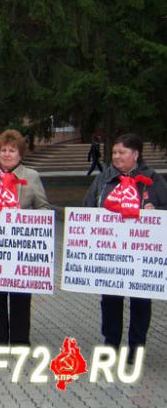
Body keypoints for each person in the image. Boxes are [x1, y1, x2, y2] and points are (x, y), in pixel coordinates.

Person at [83, 133, 167, 359]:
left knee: (140, 300)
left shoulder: (153, 180)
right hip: (111, 253)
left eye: (122, 152)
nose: (117, 157)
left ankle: (136, 346)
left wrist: (154, 212)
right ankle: (111, 343)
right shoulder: (103, 180)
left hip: (141, 255)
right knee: (110, 299)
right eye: (114, 153)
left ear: (136, 154)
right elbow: (87, 208)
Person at [0, 129, 50, 346]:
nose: (7, 154)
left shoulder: (30, 176)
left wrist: (24, 219)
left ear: (20, 154)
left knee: (20, 295)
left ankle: (20, 338)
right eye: (4, 150)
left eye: (12, 150)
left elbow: (43, 208)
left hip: (21, 247)